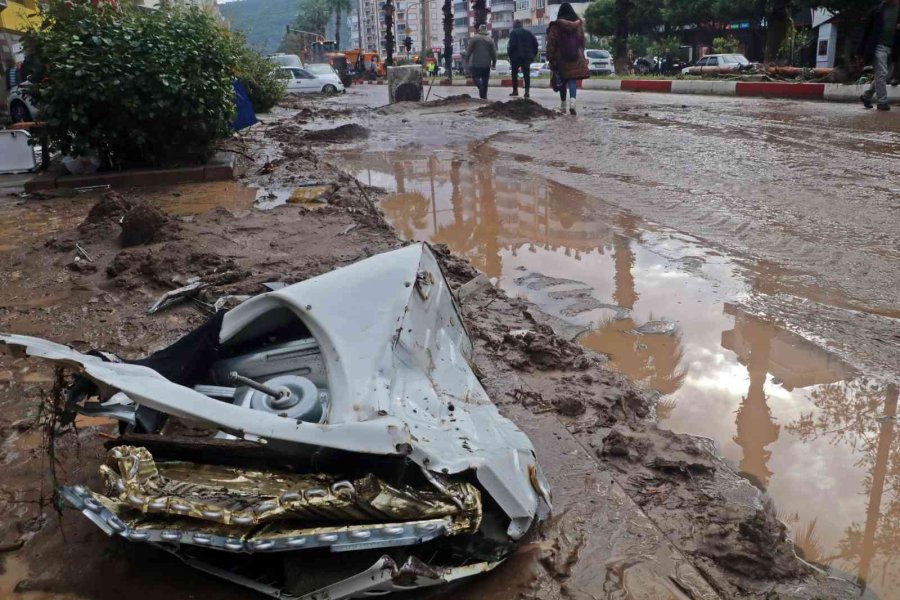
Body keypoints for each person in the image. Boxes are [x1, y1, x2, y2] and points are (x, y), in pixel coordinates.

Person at [546, 3, 590, 115]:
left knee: (562, 80)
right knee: (572, 80)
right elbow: (582, 41)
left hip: (561, 57)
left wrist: (551, 58)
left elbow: (551, 43)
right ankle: (573, 103)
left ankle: (563, 105)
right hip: (576, 56)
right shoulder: (578, 25)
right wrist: (581, 55)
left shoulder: (555, 26)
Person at [859, 0, 900, 111]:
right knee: (882, 73)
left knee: (886, 75)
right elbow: (866, 32)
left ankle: (866, 96)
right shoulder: (877, 10)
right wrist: (861, 52)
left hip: (893, 48)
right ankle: (882, 102)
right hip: (878, 46)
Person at [508, 20, 538, 98]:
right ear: (521, 25)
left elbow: (512, 45)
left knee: (514, 74)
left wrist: (510, 55)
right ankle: (527, 92)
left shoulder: (513, 33)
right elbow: (536, 44)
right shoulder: (529, 33)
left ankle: (515, 91)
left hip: (516, 57)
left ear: (514, 25)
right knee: (526, 74)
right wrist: (533, 54)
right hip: (527, 57)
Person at [466, 24, 496, 100]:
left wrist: (467, 59)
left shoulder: (474, 38)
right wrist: (494, 62)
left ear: (479, 30)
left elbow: (469, 50)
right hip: (487, 63)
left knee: (475, 77)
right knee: (485, 79)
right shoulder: (490, 40)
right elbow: (493, 53)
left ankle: (480, 86)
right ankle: (484, 96)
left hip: (476, 63)